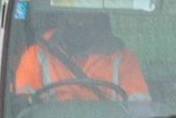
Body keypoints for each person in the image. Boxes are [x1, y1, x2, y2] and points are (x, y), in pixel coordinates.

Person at [13, 11, 150, 103]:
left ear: (99, 21)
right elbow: (22, 108)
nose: (79, 23)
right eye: (73, 16)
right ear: (62, 19)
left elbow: (139, 110)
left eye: (86, 17)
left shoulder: (122, 58)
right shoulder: (36, 55)